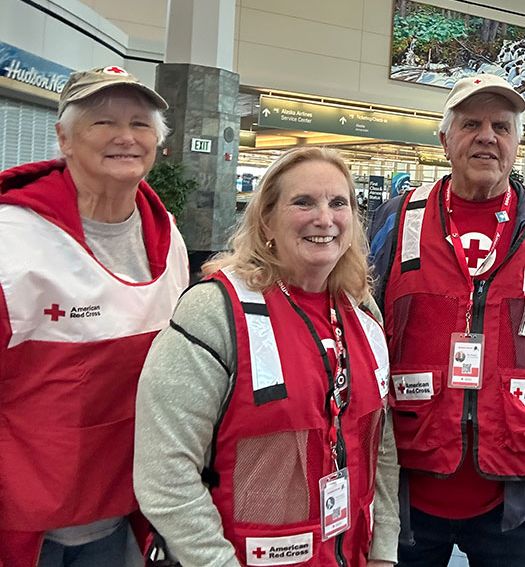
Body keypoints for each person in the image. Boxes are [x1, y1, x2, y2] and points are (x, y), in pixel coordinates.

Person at [368, 74, 525, 567]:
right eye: (471, 123)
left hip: (521, 494)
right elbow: (361, 325)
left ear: (517, 143)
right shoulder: (398, 219)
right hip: (410, 488)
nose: (487, 136)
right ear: (445, 139)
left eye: (501, 125)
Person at [134, 147, 399, 566]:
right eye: (303, 202)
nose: (325, 219)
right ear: (266, 221)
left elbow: (379, 447)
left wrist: (384, 551)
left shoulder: (363, 312)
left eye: (338, 203)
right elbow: (165, 475)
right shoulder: (215, 312)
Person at [0, 66, 189, 566]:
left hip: (128, 512)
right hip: (26, 525)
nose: (125, 137)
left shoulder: (168, 236)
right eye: (102, 122)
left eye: (140, 124)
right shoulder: (10, 240)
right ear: (64, 138)